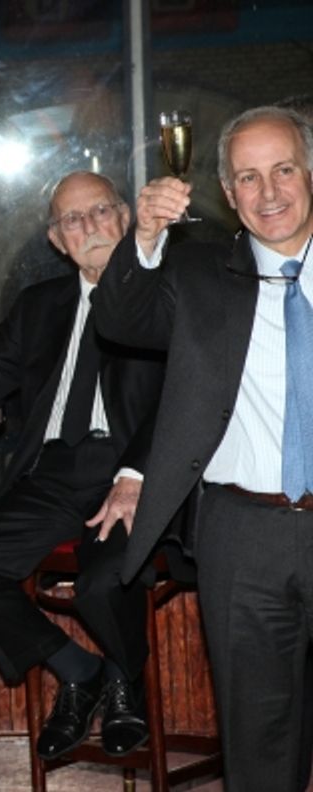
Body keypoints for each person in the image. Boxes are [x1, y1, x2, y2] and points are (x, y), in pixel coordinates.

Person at [91, 105, 313, 791]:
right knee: (258, 734)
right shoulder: (199, 277)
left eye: (283, 170)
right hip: (243, 534)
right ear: (226, 190)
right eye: (248, 177)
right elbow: (121, 318)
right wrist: (148, 236)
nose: (268, 192)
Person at [0, 172, 166, 761]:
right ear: (56, 241)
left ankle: (124, 679)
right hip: (54, 472)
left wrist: (135, 476)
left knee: (102, 581)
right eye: (72, 220)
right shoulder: (42, 305)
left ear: (125, 217)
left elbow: (183, 400)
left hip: (134, 472)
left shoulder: (167, 296)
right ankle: (81, 670)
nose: (88, 227)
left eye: (100, 212)